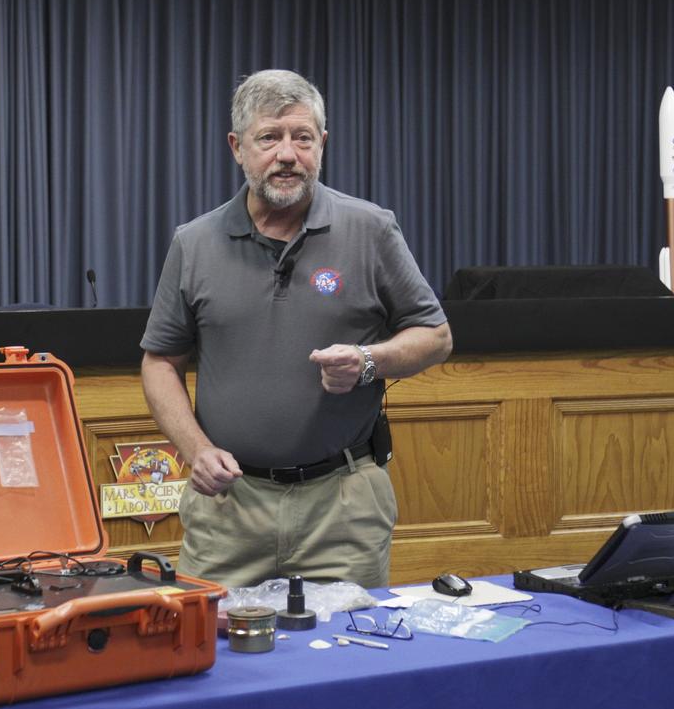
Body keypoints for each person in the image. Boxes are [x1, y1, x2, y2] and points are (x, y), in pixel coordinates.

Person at [140, 69, 452, 588]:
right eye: (269, 138)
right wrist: (195, 451)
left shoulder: (371, 228)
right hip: (228, 509)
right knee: (214, 660)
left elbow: (436, 335)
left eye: (302, 138)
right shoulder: (193, 243)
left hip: (343, 507)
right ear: (237, 147)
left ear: (321, 145)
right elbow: (159, 362)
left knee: (349, 660)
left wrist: (369, 361)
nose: (287, 154)